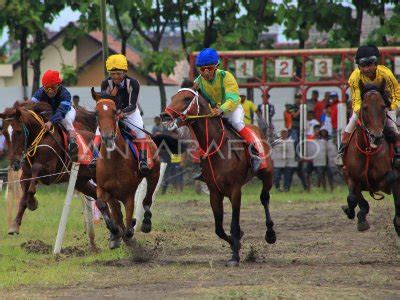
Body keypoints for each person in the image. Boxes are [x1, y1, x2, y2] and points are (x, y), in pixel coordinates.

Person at [194, 48, 263, 172]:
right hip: (213, 113)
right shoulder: (197, 82)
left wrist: (221, 109)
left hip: (232, 109)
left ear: (216, 66)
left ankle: (255, 154)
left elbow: (233, 98)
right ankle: (202, 165)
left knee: (236, 123)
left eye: (209, 68)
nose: (205, 72)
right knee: (203, 131)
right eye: (202, 69)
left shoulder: (226, 76)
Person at [335, 45, 400, 166]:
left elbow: (396, 92)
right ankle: (342, 150)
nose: (366, 69)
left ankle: (397, 153)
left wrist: (393, 107)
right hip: (365, 106)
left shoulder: (386, 73)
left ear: (376, 64)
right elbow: (356, 99)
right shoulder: (355, 77)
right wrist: (361, 112)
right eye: (363, 66)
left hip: (385, 104)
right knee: (353, 120)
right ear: (359, 66)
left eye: (369, 65)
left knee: (392, 126)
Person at [90, 54, 149, 174]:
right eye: (112, 73)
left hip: (130, 112)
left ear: (125, 72)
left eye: (118, 73)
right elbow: (104, 102)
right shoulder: (105, 83)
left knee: (140, 132)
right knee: (98, 131)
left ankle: (143, 161)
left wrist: (122, 113)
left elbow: (132, 105)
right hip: (112, 112)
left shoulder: (133, 83)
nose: (115, 76)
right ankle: (95, 158)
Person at [31, 69, 78, 159]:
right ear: (43, 87)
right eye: (47, 88)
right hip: (49, 112)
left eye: (53, 87)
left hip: (66, 111)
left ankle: (73, 144)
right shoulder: (39, 92)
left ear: (59, 85)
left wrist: (50, 122)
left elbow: (61, 112)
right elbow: (31, 105)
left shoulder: (65, 94)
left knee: (66, 120)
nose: (50, 91)